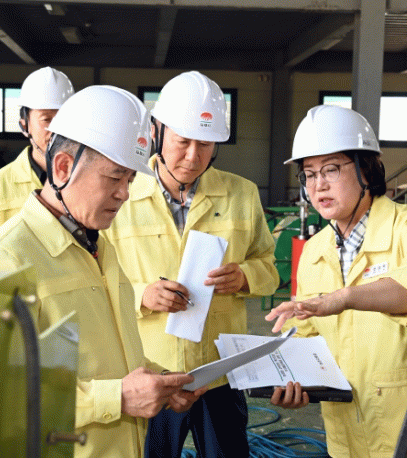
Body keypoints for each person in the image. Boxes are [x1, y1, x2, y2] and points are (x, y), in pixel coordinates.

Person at [0, 85, 206, 458]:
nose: (125, 193)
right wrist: (117, 398)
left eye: (130, 180)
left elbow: (111, 353)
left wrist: (160, 381)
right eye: (114, 177)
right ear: (63, 167)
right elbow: (3, 399)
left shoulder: (98, 247)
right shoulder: (3, 261)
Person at [103, 71, 280, 458]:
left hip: (218, 371)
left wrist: (245, 277)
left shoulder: (241, 194)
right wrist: (143, 294)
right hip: (150, 370)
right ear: (157, 131)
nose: (192, 156)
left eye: (205, 144)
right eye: (183, 141)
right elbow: (98, 281)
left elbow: (269, 268)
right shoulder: (122, 194)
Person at [265, 105, 407, 458]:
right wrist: (292, 379)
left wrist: (343, 297)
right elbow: (307, 336)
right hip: (344, 436)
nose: (318, 185)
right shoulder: (316, 249)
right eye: (309, 174)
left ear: (367, 168)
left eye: (331, 169)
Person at [0, 66, 74, 253]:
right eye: (46, 119)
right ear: (24, 126)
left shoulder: (85, 180)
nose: (57, 129)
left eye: (64, 118)